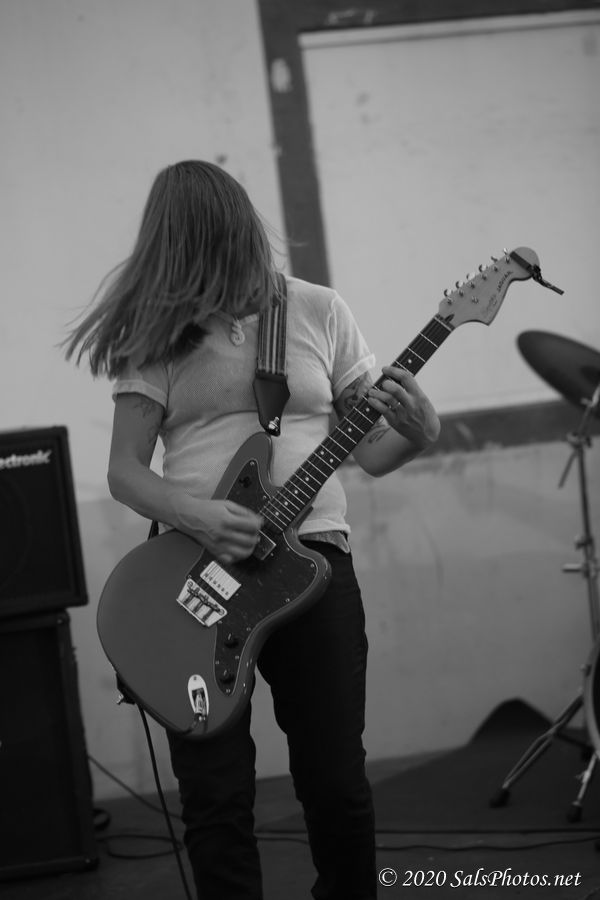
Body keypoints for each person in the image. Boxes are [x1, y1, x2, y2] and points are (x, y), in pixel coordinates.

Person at [65, 160, 440, 900]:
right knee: (215, 795)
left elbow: (371, 453)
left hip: (313, 565)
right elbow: (125, 471)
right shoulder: (157, 333)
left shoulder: (319, 310)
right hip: (195, 574)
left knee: (336, 780)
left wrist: (423, 433)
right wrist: (197, 513)